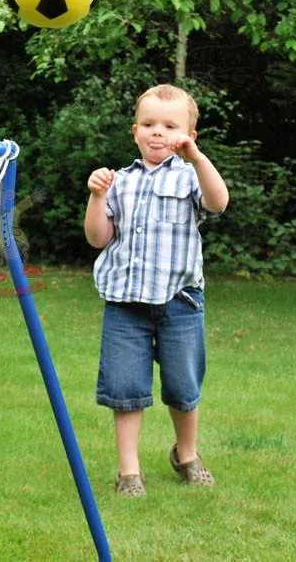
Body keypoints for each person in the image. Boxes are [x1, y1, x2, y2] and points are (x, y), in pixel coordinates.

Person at [84, 83, 229, 495]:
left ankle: (186, 454)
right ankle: (129, 471)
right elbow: (98, 238)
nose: (157, 132)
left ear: (189, 136)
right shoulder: (119, 182)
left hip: (179, 303)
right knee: (125, 388)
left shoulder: (190, 177)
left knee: (183, 387)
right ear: (135, 131)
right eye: (148, 124)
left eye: (169, 125)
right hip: (125, 305)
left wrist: (197, 159)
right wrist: (97, 197)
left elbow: (218, 203)